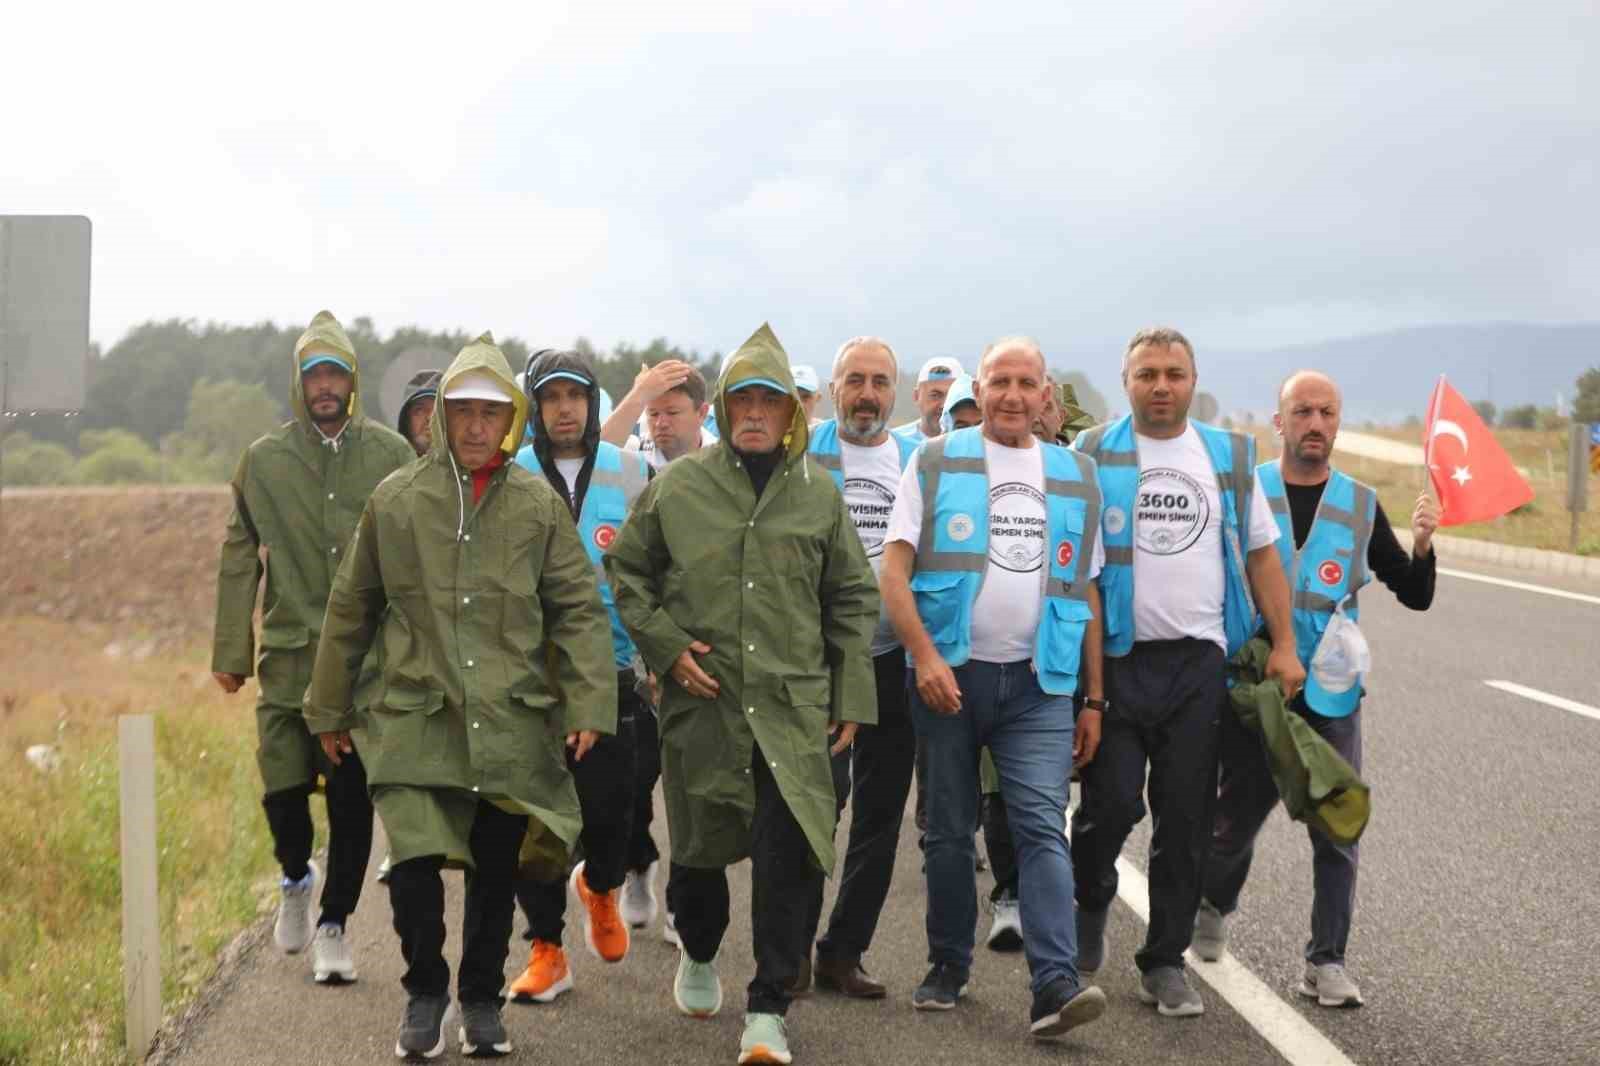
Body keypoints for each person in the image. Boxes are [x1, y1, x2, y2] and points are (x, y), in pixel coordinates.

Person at [304, 333, 616, 1059]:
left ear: (510, 419)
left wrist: (590, 702)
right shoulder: (397, 500)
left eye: (490, 413)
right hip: (416, 713)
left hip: (512, 719)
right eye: (462, 412)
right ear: (440, 416)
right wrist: (328, 707)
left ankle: (480, 999)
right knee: (412, 863)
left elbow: (575, 606)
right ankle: (424, 990)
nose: (476, 427)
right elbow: (351, 607)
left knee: (492, 868)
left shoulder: (537, 505)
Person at [605, 323, 880, 1066]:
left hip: (792, 710)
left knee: (788, 860)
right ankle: (698, 951)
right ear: (723, 409)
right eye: (742, 400)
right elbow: (627, 572)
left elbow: (853, 597)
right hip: (705, 702)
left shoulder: (818, 496)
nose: (756, 412)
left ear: (792, 413)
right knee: (699, 860)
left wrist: (850, 690)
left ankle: (767, 1007)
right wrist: (663, 645)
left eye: (770, 400)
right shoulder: (680, 488)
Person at [1068, 327, 1302, 1018]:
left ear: (1192, 380)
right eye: (1147, 374)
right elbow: (1074, 566)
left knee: (1186, 817)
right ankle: (1089, 906)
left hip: (1199, 665)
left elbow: (1261, 555)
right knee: (1108, 806)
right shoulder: (1090, 453)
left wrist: (1283, 642)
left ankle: (1164, 960)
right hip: (1116, 661)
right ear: (1126, 380)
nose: (1161, 385)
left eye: (1174, 373)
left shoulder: (1227, 456)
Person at [880, 336, 1109, 1041]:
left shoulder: (1077, 474)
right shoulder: (936, 459)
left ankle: (1054, 986)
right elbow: (893, 571)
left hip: (1041, 685)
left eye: (1027, 383)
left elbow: (1088, 589)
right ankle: (948, 964)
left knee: (1044, 827)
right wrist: (924, 658)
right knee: (949, 831)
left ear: (1048, 395)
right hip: (951, 677)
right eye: (1000, 382)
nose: (1013, 395)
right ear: (980, 390)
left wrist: (1094, 697)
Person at [1193, 369, 1438, 1008]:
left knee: (1337, 826)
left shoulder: (1359, 503)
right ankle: (1215, 904)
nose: (1316, 425)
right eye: (1303, 412)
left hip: (1330, 692)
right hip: (1258, 688)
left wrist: (1423, 544)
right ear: (1279, 422)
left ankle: (1326, 962)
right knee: (1234, 821)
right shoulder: (1247, 493)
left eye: (1327, 413)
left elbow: (1413, 594)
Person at [210, 310, 413, 985]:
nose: (325, 386)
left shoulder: (390, 455)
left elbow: (418, 553)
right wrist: (230, 650)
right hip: (291, 657)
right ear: (298, 385)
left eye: (335, 373)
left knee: (353, 798)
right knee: (284, 792)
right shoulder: (264, 462)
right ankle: (296, 876)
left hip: (366, 667)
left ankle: (334, 923)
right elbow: (240, 553)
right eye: (313, 375)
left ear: (351, 381)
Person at [506, 349, 652, 1003]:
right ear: (535, 408)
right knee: (531, 824)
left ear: (593, 402)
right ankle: (547, 950)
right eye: (552, 397)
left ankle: (600, 884)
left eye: (576, 396)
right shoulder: (511, 475)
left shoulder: (631, 471)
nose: (565, 408)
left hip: (616, 670)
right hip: (534, 678)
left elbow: (657, 569)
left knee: (613, 813)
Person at [800, 336, 920, 1000]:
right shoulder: (802, 450)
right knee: (817, 804)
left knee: (880, 815)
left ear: (893, 391)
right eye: (855, 380)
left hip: (890, 659)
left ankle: (842, 952)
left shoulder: (913, 461)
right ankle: (789, 944)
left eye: (879, 381)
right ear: (833, 385)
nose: (867, 393)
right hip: (817, 661)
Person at [602, 360, 718, 467]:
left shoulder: (722, 459)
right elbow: (595, 458)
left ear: (702, 413)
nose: (660, 424)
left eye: (672, 413)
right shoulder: (634, 451)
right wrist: (638, 394)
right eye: (653, 414)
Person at [893, 356, 963, 444]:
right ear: (916, 396)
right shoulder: (896, 443)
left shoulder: (973, 443)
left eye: (952, 395)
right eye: (935, 395)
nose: (944, 405)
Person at [397, 369, 442, 457]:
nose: (430, 417)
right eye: (419, 410)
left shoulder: (471, 468)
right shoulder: (386, 466)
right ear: (406, 420)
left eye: (438, 409)